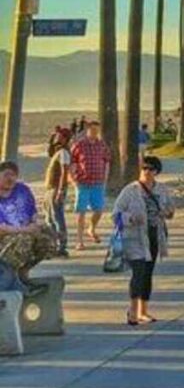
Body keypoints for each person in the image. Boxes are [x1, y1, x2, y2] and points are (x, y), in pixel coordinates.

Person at [114, 156, 174, 326]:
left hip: (154, 235)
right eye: (144, 168)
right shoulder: (130, 190)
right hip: (135, 238)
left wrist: (167, 213)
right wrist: (131, 218)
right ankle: (132, 312)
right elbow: (116, 214)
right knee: (138, 272)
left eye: (151, 169)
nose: (147, 172)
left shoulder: (162, 190)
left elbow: (170, 209)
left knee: (148, 273)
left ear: (157, 172)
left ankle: (143, 311)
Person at [0, 162, 58, 293]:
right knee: (23, 239)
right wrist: (27, 230)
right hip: (5, 236)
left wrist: (37, 222)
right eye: (6, 175)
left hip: (25, 230)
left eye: (14, 175)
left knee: (48, 237)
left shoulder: (22, 190)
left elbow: (32, 212)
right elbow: (2, 228)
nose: (10, 178)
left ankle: (23, 273)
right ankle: (11, 280)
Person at [70, 120, 112, 249]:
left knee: (98, 210)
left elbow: (107, 162)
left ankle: (91, 229)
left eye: (97, 130)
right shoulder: (79, 145)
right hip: (82, 182)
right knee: (81, 212)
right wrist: (74, 181)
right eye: (93, 130)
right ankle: (79, 240)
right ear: (87, 130)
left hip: (98, 183)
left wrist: (105, 177)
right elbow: (72, 163)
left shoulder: (102, 145)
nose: (95, 132)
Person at [44, 129, 72, 257]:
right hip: (50, 188)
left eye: (59, 136)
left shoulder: (64, 153)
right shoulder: (58, 151)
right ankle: (52, 245)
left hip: (56, 188)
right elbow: (49, 152)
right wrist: (51, 140)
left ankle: (62, 246)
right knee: (50, 218)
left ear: (65, 138)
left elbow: (64, 172)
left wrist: (61, 190)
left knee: (57, 217)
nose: (57, 137)